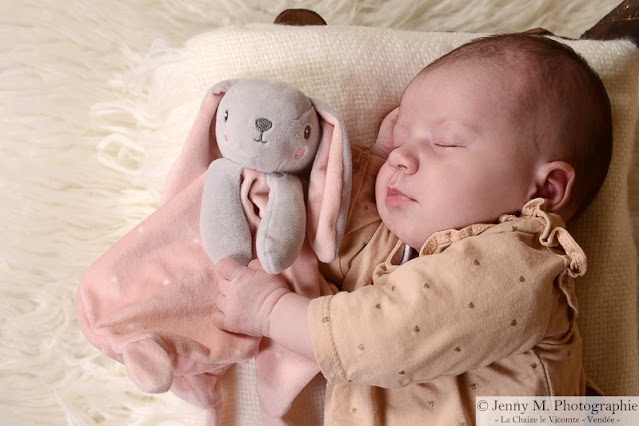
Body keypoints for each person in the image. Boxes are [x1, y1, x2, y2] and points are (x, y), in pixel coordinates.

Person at [212, 33, 612, 425]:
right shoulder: (411, 252)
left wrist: (269, 310)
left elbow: (383, 336)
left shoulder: (518, 265)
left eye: (445, 142)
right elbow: (338, 246)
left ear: (546, 188)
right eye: (402, 139)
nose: (402, 158)